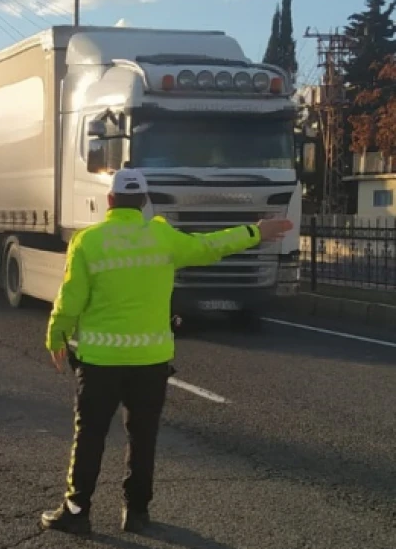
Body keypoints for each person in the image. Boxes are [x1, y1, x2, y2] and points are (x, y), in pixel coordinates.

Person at [39, 168, 293, 536]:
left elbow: (70, 299)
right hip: (150, 363)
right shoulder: (161, 237)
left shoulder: (88, 241)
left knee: (90, 436)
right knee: (143, 438)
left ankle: (77, 511)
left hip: (100, 363)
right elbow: (210, 246)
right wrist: (256, 231)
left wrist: (56, 336)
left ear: (110, 201)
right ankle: (137, 513)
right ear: (143, 202)